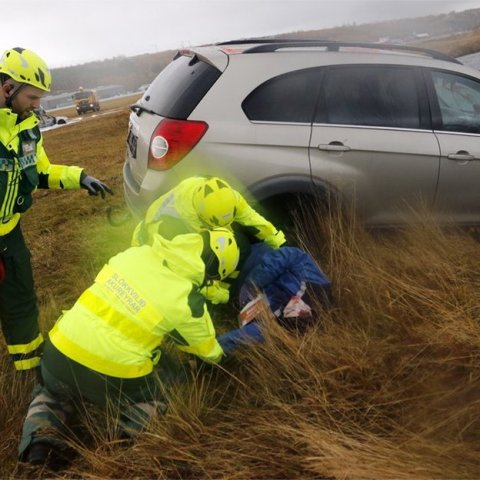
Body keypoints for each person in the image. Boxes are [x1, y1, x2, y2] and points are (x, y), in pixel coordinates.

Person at [18, 228, 240, 468]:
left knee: (51, 391)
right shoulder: (188, 298)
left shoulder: (135, 254)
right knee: (162, 393)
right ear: (212, 270)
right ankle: (126, 437)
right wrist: (223, 360)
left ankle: (40, 444)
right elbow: (207, 350)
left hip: (58, 352)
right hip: (111, 375)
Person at [0, 47, 112, 371]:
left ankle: (29, 369)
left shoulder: (28, 129)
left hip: (10, 233)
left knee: (20, 302)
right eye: (33, 98)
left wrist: (81, 177)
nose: (38, 106)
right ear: (9, 89)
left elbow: (42, 171)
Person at [131, 176, 286, 303]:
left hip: (195, 234)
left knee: (240, 245)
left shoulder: (224, 197)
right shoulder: (174, 226)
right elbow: (187, 267)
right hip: (155, 248)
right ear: (202, 216)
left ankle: (226, 286)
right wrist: (213, 292)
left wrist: (279, 241)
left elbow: (252, 219)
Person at [217, 242, 332, 354]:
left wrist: (218, 347)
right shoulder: (317, 286)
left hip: (231, 287)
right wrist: (252, 283)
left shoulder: (289, 327)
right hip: (252, 256)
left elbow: (250, 334)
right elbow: (290, 255)